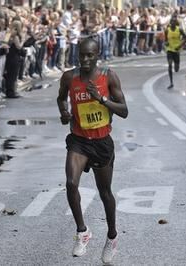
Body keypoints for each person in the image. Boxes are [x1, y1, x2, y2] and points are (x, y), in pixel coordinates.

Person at [57, 38, 128, 264]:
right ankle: (82, 232)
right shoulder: (70, 77)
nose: (85, 60)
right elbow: (60, 99)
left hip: (101, 142)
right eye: (82, 55)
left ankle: (112, 237)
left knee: (105, 192)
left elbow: (124, 111)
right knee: (70, 183)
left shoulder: (108, 76)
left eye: (90, 55)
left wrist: (102, 99)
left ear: (98, 54)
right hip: (79, 140)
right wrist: (65, 113)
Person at [164, 16, 186, 89]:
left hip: (177, 50)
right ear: (170, 23)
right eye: (172, 22)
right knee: (170, 64)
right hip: (169, 50)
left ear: (176, 23)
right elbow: (165, 40)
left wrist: (180, 45)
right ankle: (171, 82)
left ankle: (176, 66)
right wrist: (166, 43)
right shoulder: (167, 30)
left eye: (174, 22)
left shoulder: (179, 30)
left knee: (176, 69)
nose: (173, 23)